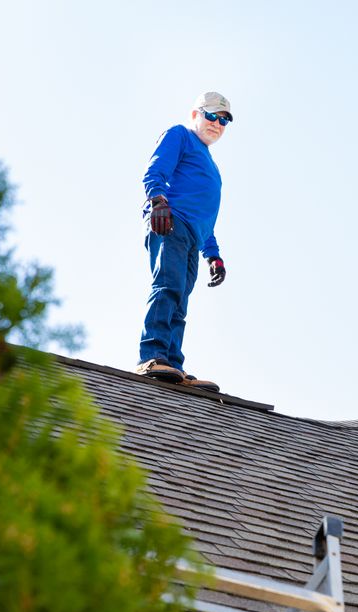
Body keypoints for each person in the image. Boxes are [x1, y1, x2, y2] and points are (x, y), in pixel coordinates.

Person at [134, 91, 234, 392]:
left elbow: (206, 218)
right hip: (170, 222)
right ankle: (152, 356)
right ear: (195, 115)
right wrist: (158, 201)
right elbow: (155, 170)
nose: (217, 123)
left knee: (181, 299)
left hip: (192, 234)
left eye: (224, 120)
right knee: (168, 287)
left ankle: (172, 365)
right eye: (212, 115)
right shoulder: (180, 135)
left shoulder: (212, 166)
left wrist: (213, 255)